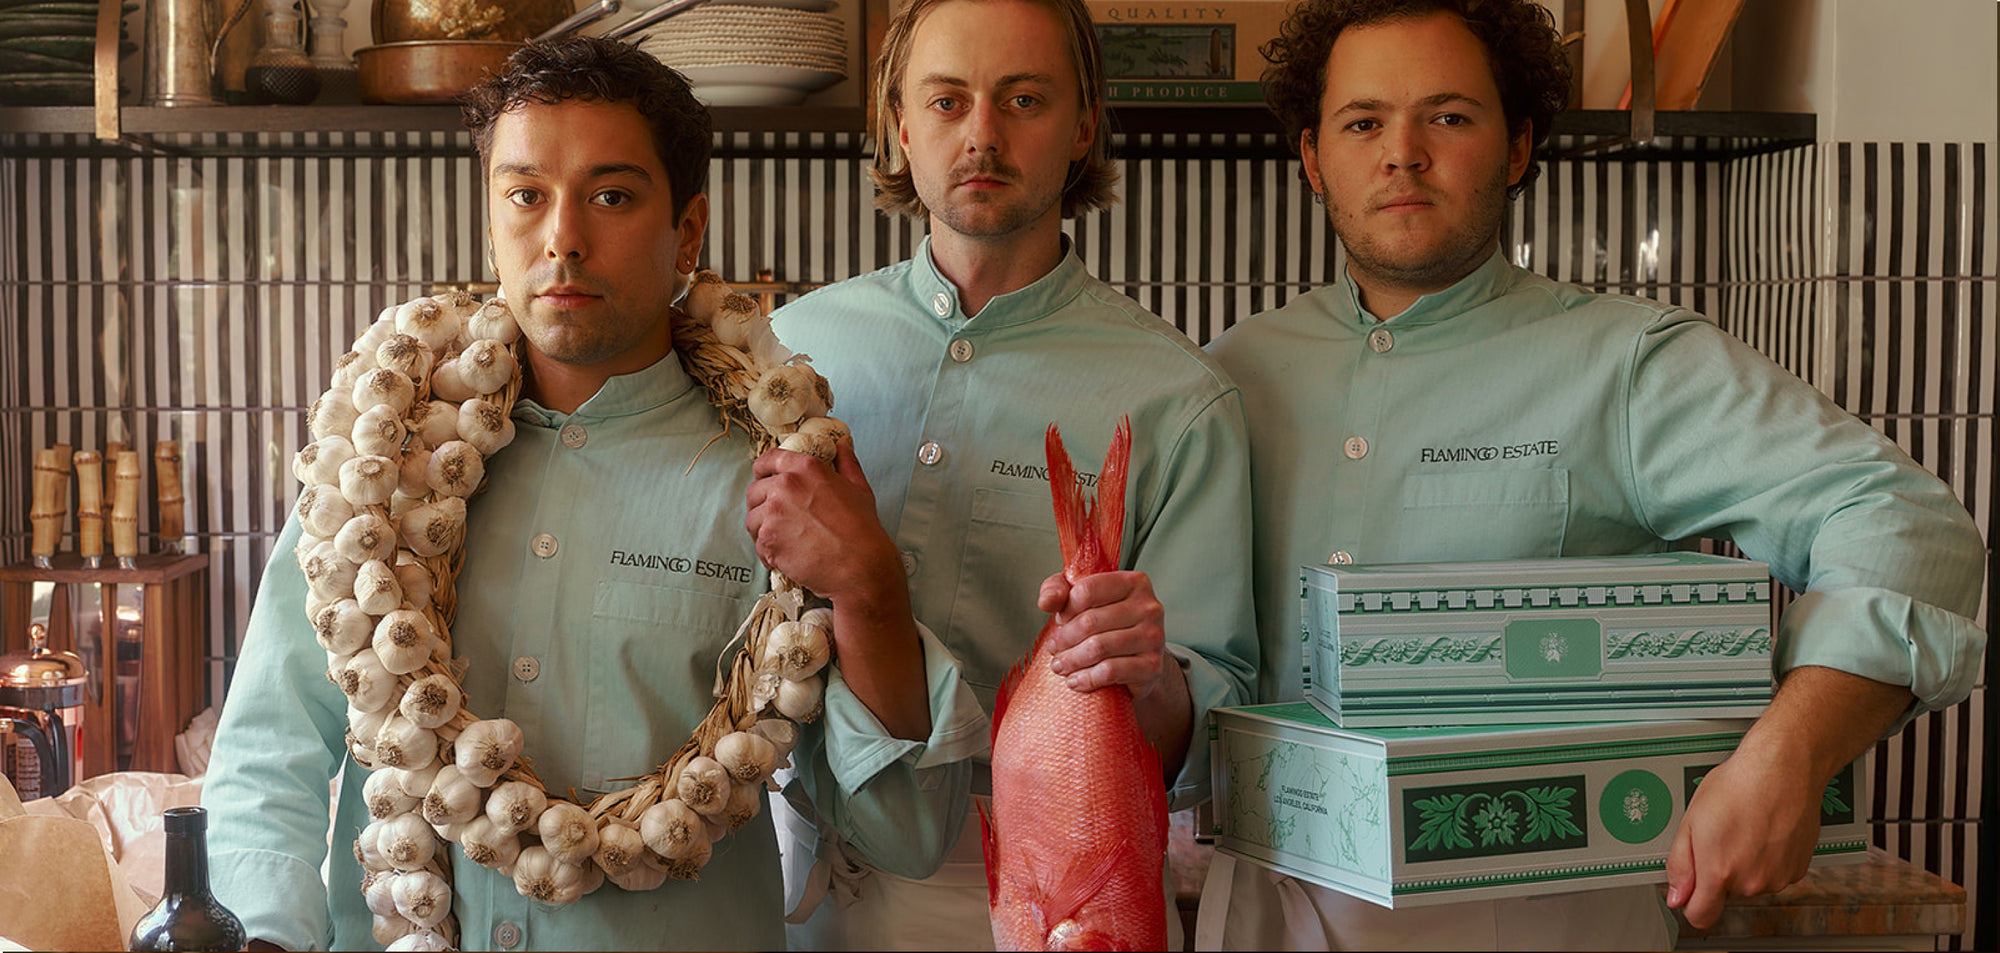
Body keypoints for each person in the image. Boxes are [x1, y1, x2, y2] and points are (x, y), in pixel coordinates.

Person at [1203, 0, 1987, 948]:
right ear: (1313, 159)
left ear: (1520, 144)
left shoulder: (1631, 366)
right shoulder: (1229, 375)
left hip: (1543, 919)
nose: (1402, 151)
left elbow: (1906, 521)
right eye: (1363, 121)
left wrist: (1789, 752)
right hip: (1258, 911)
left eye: (1449, 116)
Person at [199, 36, 983, 951]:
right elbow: (268, 757)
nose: (562, 238)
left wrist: (871, 589)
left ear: (686, 231)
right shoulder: (381, 472)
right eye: (526, 196)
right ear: (492, 219)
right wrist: (262, 936)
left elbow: (906, 834)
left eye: (611, 197)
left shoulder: (777, 479)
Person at [758, 0, 1261, 947]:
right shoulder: (794, 351)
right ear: (899, 128)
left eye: (1023, 100)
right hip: (790, 863)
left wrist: (1150, 674)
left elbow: (1212, 748)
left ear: (1081, 127)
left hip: (1060, 872)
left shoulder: (1179, 395)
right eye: (947, 101)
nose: (982, 134)